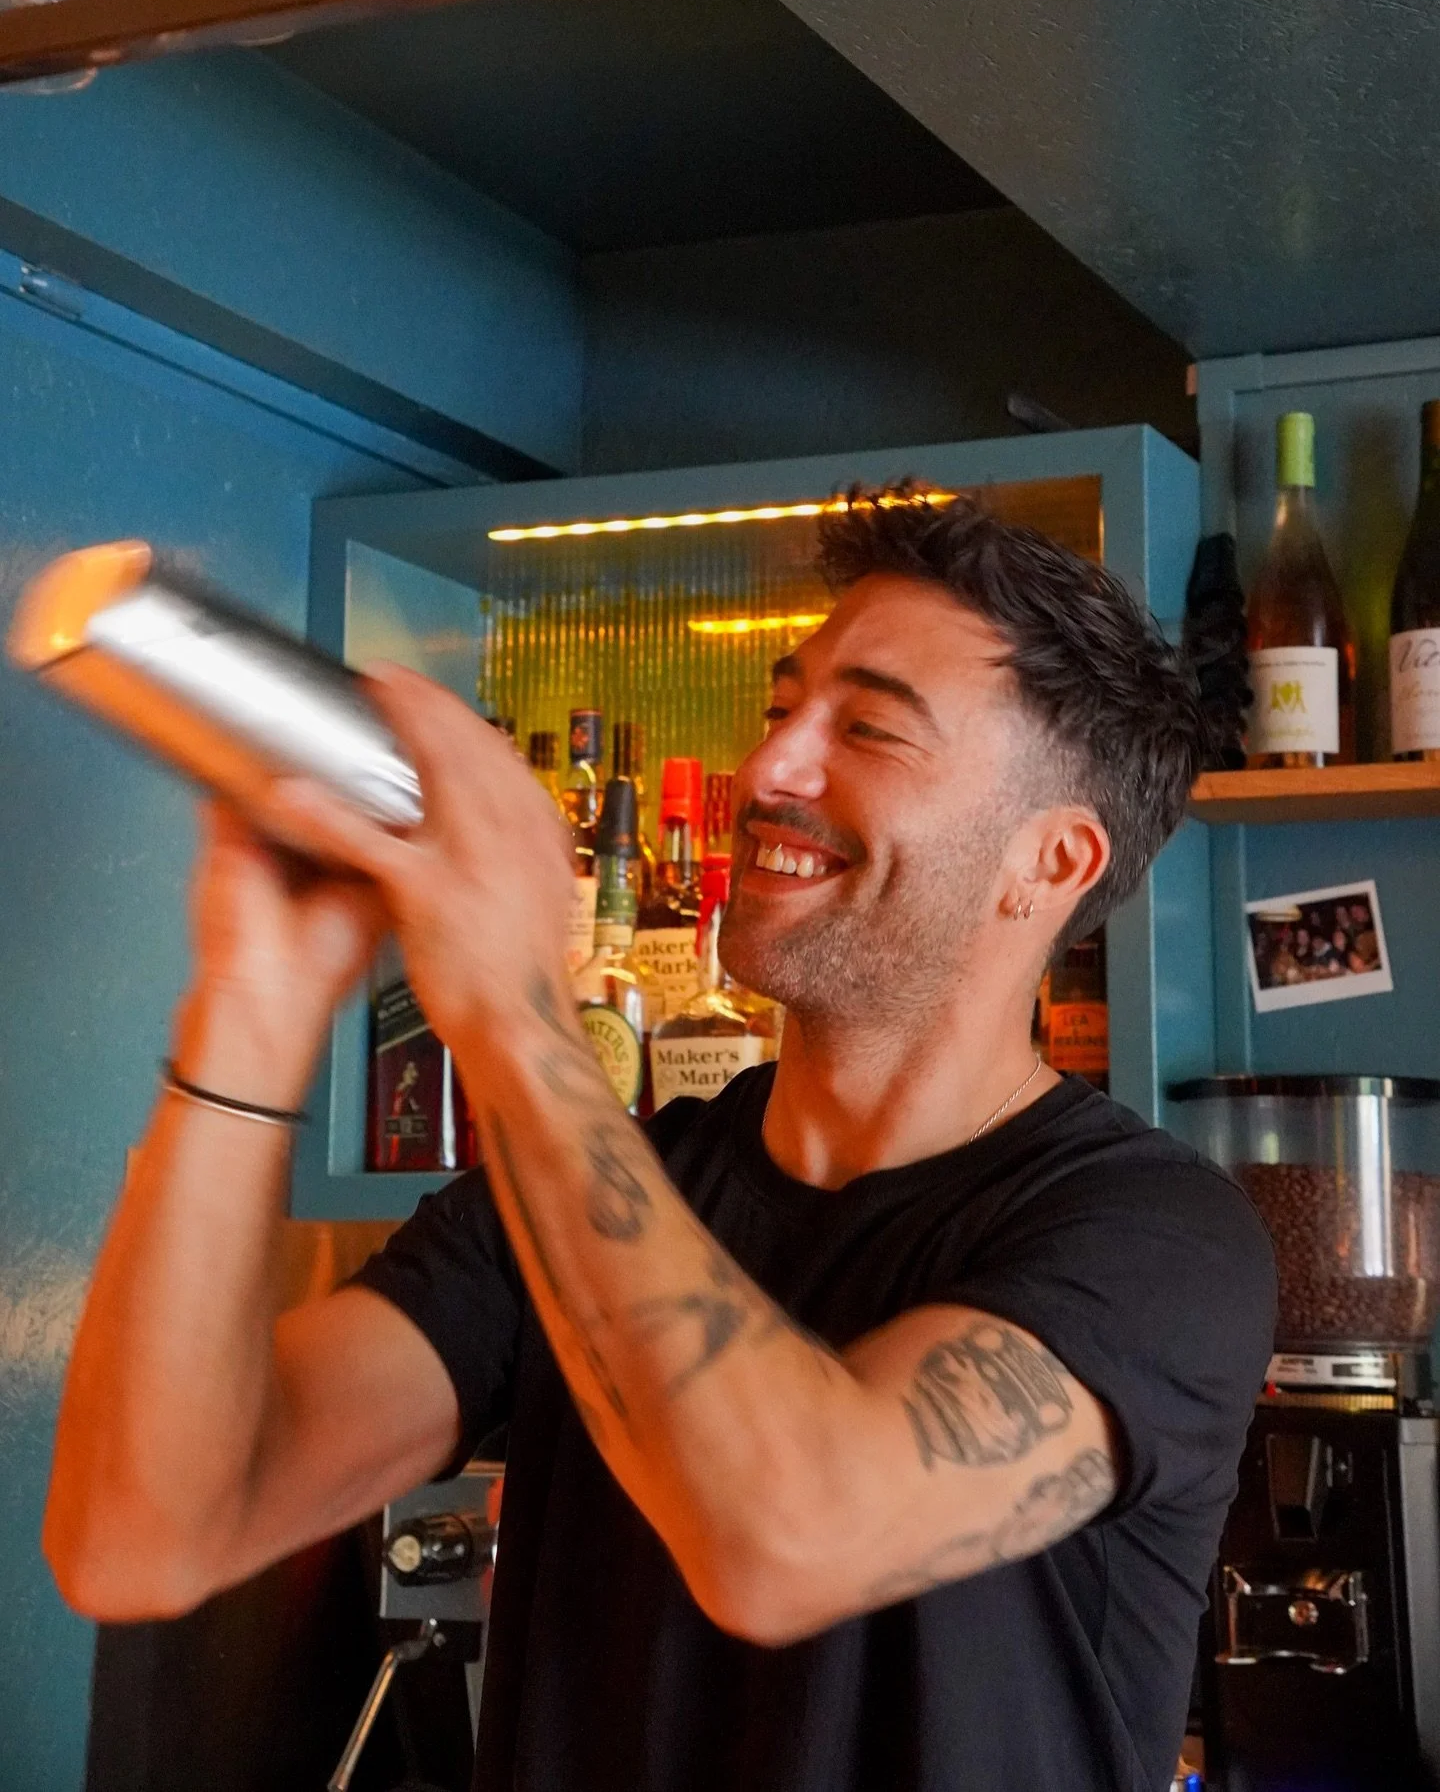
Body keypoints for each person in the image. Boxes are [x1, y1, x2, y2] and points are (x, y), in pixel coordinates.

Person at [44, 487, 1276, 1792]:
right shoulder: (579, 1193)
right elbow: (142, 1540)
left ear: (1052, 863)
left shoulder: (1158, 1240)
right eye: (780, 710)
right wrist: (254, 1003)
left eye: (867, 728)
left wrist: (514, 1011)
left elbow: (787, 1539)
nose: (770, 770)